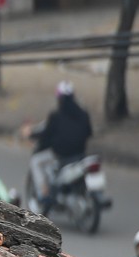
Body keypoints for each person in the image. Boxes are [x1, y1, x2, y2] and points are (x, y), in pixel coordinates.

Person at [27, 81, 93, 213]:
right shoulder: (83, 114)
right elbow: (89, 132)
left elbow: (46, 135)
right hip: (79, 155)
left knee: (36, 161)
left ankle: (44, 194)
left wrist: (34, 137)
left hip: (60, 155)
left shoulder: (56, 116)